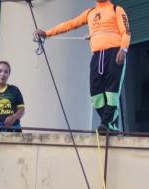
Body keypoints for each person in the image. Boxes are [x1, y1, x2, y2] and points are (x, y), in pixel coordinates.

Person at [35, 1, 130, 132]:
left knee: (111, 92)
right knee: (95, 94)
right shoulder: (90, 12)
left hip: (114, 52)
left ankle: (107, 123)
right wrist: (47, 33)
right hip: (97, 55)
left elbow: (126, 31)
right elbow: (70, 24)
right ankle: (109, 123)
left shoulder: (116, 9)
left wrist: (123, 49)